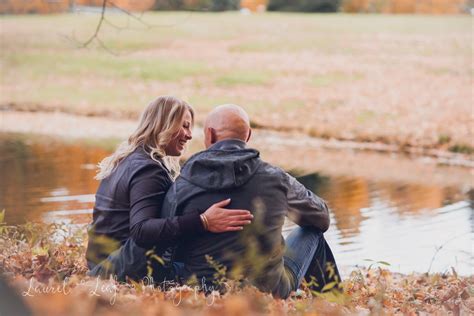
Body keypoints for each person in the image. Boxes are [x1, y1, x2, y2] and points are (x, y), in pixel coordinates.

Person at [162, 104, 340, 298]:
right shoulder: (275, 177)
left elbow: (166, 236)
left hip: (203, 288)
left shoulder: (184, 182)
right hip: (269, 291)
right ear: (248, 136)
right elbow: (321, 218)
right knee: (311, 231)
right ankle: (333, 304)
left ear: (210, 135)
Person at [86, 97, 253, 282]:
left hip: (103, 263)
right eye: (185, 126)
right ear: (163, 125)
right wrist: (203, 221)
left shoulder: (129, 159)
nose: (189, 135)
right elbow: (142, 230)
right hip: (119, 269)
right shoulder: (148, 170)